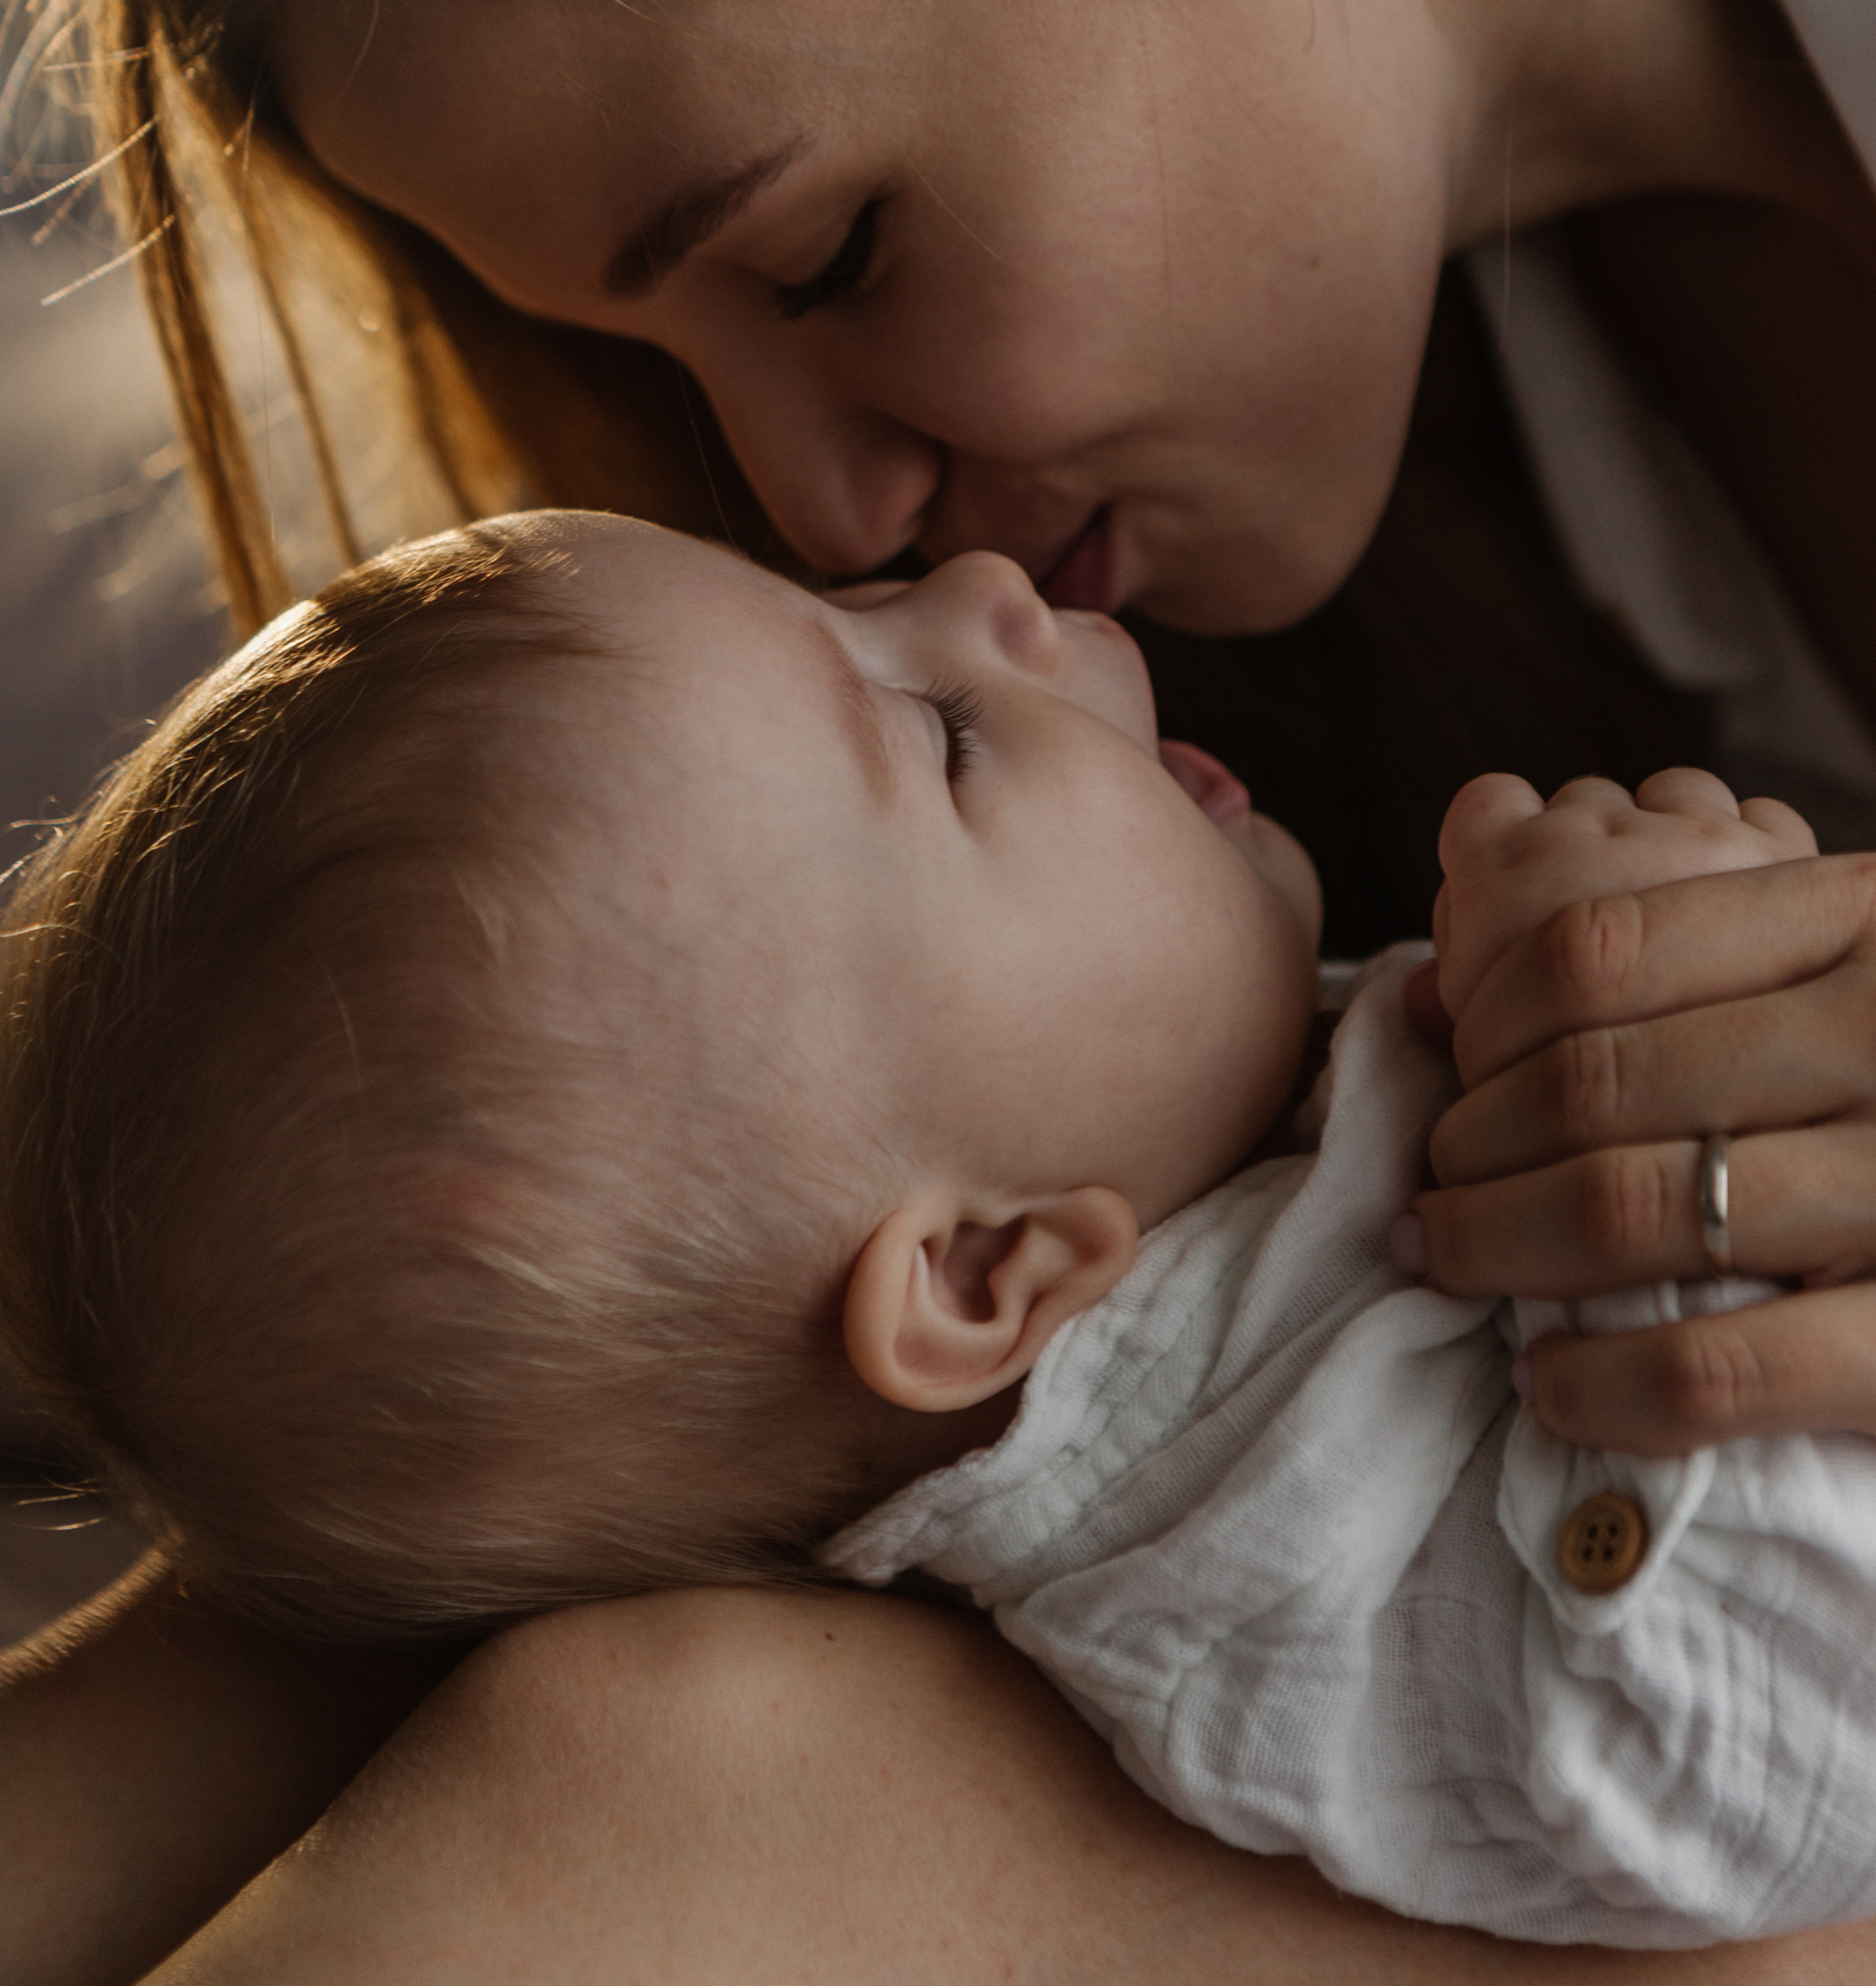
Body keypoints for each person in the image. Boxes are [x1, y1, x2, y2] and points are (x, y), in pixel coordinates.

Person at [7, 0, 1876, 1975]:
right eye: (683, 383)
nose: (832, 512)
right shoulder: (1186, 726)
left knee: (693, 1780)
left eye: (824, 256)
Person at [4, 507, 1871, 1950]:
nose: (982, 585)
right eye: (948, 735)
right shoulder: (1252, 1548)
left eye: (844, 596)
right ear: (982, 1273)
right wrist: (1650, 1141)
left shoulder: (1200, 1209)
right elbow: (1745, 1772)